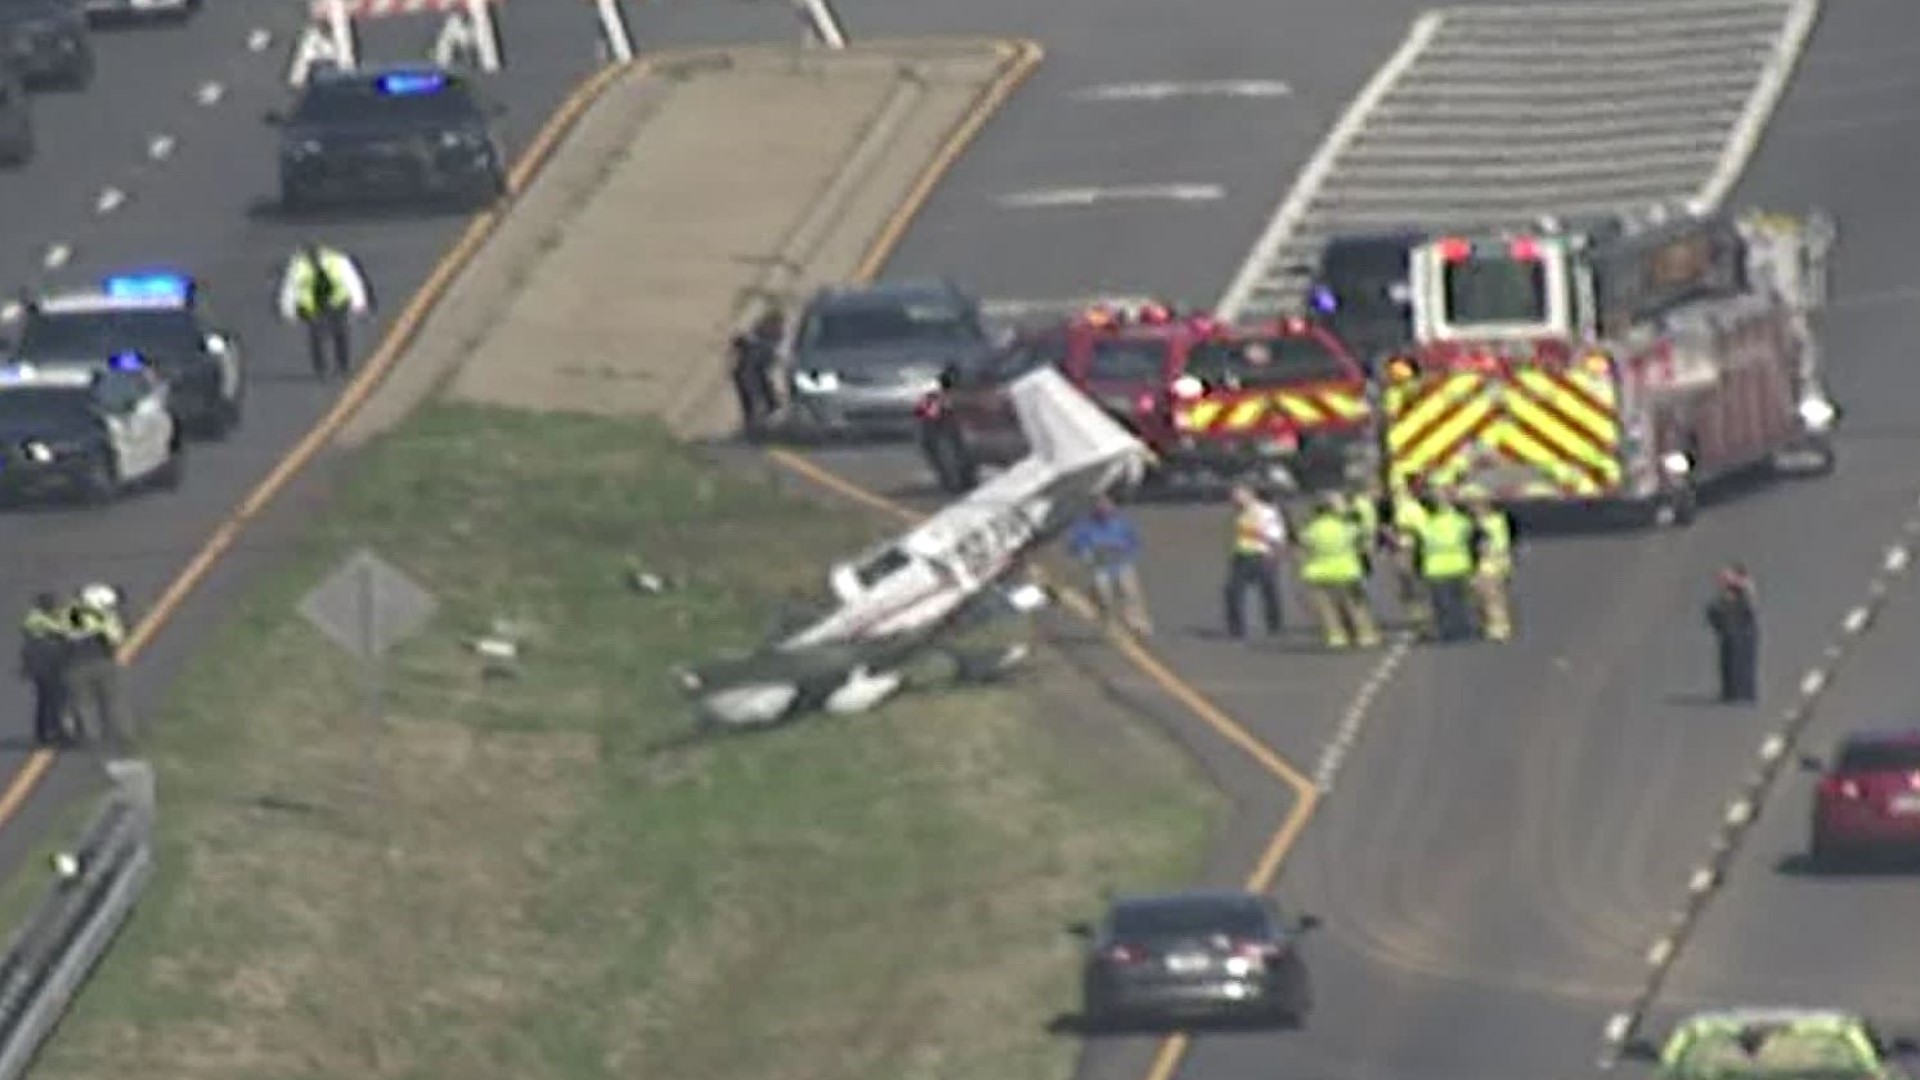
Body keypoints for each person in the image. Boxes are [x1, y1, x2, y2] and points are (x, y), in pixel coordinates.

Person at [277, 241, 371, 378]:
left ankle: (342, 365)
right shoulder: (298, 266)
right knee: (316, 335)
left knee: (341, 332)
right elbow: (290, 288)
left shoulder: (338, 261)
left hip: (338, 302)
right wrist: (288, 311)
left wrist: (359, 303)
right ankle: (321, 368)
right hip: (314, 306)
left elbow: (352, 281)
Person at [1299, 494, 1378, 649]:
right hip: (1347, 571)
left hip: (1319, 572)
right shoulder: (1345, 527)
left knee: (1328, 608)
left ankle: (1336, 636)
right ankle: (1365, 635)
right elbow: (1362, 536)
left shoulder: (1312, 529)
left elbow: (1304, 546)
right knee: (1355, 605)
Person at [1067, 496, 1152, 635]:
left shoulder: (1121, 524)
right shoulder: (1085, 526)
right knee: (1105, 597)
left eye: (1107, 507)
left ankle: (1137, 622)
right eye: (1101, 508)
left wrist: (1128, 552)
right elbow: (1074, 545)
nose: (1105, 511)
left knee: (1130, 593)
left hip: (1121, 563)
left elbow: (1135, 541)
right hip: (1100, 566)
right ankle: (1109, 624)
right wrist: (1085, 552)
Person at [65, 583, 134, 755]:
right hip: (103, 664)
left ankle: (92, 740)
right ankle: (123, 736)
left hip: (76, 666)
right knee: (114, 700)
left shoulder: (71, 614)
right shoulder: (105, 617)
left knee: (84, 704)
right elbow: (117, 638)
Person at [1223, 483, 1286, 639]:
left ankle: (1275, 625)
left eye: (1239, 495)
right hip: (1242, 555)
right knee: (1233, 591)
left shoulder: (1265, 511)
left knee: (1269, 591)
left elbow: (1276, 535)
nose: (1235, 499)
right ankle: (1236, 628)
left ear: (1250, 495)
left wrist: (1274, 552)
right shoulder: (1240, 513)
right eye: (1234, 496)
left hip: (1262, 555)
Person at [1413, 491, 1476, 641]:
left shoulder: (1425, 526)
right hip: (1461, 565)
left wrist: (1418, 568)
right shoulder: (1461, 521)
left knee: (1442, 604)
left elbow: (1419, 549)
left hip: (1436, 569)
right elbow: (1473, 540)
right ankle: (1466, 631)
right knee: (1462, 602)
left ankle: (1447, 632)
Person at [18, 593, 71, 747]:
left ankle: (46, 731)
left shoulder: (42, 618)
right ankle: (53, 731)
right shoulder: (36, 619)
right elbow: (60, 630)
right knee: (53, 698)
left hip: (47, 663)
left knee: (48, 698)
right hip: (44, 664)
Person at [1705, 564, 1759, 703]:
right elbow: (1715, 612)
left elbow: (1750, 607)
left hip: (1742, 629)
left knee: (1742, 661)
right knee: (1729, 662)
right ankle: (1731, 692)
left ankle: (1743, 692)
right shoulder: (1725, 596)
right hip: (1731, 630)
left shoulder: (1745, 590)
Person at [1465, 490, 1514, 642]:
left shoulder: (1492, 522)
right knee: (1484, 596)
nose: (1472, 508)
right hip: (1490, 563)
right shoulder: (1494, 521)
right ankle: (1492, 625)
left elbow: (1486, 543)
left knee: (1492, 596)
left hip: (1490, 563)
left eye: (1475, 504)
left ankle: (1500, 628)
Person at [730, 307, 784, 436]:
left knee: (765, 402)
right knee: (753, 403)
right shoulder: (756, 338)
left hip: (757, 374)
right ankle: (752, 427)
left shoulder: (771, 340)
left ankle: (756, 426)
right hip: (748, 374)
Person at [1388, 477, 1432, 633]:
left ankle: (1422, 622)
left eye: (1398, 491)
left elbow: (1420, 530)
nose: (1395, 495)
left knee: (1414, 586)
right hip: (1403, 549)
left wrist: (1397, 532)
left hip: (1410, 550)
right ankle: (1418, 620)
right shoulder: (1403, 507)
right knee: (1408, 587)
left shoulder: (1411, 508)